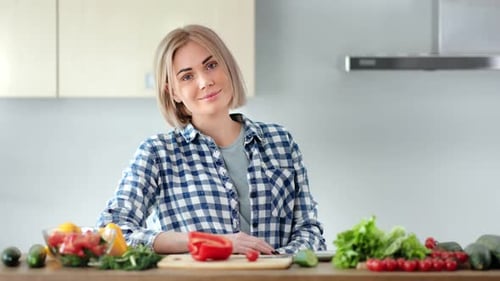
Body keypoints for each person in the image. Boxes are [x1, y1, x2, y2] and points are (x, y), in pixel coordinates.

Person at [96, 24, 326, 255]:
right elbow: (110, 233)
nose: (205, 81)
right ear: (173, 92)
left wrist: (272, 263)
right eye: (187, 76)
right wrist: (202, 241)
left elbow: (309, 230)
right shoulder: (157, 154)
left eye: (211, 65)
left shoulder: (280, 141)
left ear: (227, 67)